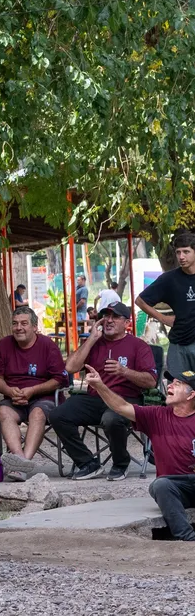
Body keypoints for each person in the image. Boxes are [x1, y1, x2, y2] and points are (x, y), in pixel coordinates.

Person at [85, 363, 195, 541]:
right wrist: (99, 385)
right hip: (174, 487)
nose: (170, 385)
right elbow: (121, 407)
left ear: (191, 395)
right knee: (160, 485)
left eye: (178, 383)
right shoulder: (156, 415)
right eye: (170, 382)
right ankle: (188, 538)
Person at [49, 303, 157, 480]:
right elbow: (70, 367)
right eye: (105, 316)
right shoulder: (95, 343)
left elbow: (151, 382)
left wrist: (124, 371)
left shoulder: (138, 346)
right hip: (95, 398)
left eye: (115, 317)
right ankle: (88, 463)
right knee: (57, 414)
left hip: (126, 399)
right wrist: (91, 339)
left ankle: (121, 464)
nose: (108, 320)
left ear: (127, 323)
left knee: (111, 419)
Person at [0, 306, 69, 481]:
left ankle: (22, 464)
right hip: (14, 398)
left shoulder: (48, 345)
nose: (19, 327)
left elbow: (60, 380)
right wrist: (9, 391)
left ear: (35, 327)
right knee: (3, 412)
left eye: (24, 323)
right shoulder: (4, 344)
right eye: (15, 323)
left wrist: (33, 390)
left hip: (44, 398)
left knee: (38, 413)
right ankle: (21, 461)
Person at [136, 231, 195, 375]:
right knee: (178, 388)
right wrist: (163, 318)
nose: (181, 257)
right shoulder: (169, 279)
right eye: (178, 252)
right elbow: (140, 301)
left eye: (186, 252)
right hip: (178, 344)